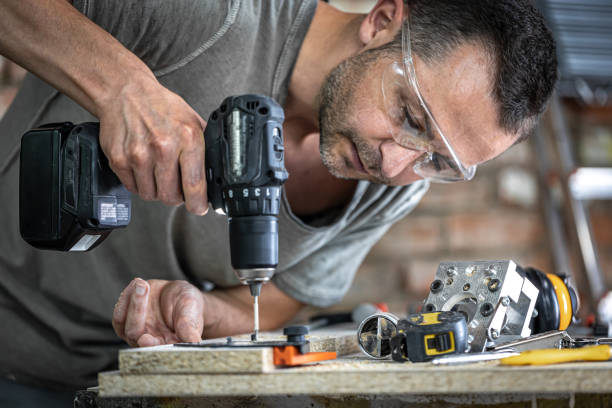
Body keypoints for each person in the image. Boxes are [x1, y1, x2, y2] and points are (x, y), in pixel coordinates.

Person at [0, 0, 557, 403]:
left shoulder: (396, 184)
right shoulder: (215, 17)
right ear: (382, 21)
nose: (396, 166)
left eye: (439, 162)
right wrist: (122, 86)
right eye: (410, 119)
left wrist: (192, 309)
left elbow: (263, 308)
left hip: (108, 384)